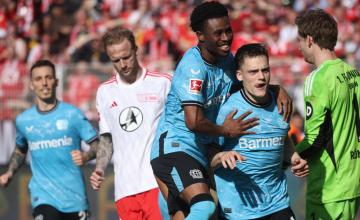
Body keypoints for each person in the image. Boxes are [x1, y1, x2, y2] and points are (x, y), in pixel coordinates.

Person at [150, 1, 292, 219]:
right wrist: (227, 131)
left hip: (201, 151)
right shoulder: (193, 68)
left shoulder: (226, 59)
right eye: (218, 33)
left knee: (196, 213)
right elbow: (193, 121)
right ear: (201, 35)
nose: (226, 37)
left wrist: (276, 88)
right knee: (203, 207)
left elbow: (246, 80)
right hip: (176, 147)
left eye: (228, 30)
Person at [294, 9, 360, 220]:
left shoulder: (317, 79)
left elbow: (314, 141)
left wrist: (292, 156)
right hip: (354, 187)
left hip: (327, 190)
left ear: (310, 40)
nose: (298, 46)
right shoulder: (359, 78)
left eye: (300, 40)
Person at [211, 43, 308, 220]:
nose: (261, 77)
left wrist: (294, 158)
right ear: (239, 75)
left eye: (265, 70)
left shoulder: (283, 104)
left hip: (278, 203)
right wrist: (221, 156)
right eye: (253, 72)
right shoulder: (227, 110)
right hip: (239, 210)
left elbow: (282, 138)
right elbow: (206, 157)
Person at [89, 27, 171, 219]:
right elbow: (107, 138)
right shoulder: (104, 93)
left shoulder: (163, 84)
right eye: (115, 60)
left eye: (126, 57)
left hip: (157, 184)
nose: (122, 64)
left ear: (136, 50)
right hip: (124, 190)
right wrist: (100, 167)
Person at [0, 59, 98, 220]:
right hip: (43, 197)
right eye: (38, 79)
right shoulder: (24, 120)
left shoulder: (72, 114)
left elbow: (98, 145)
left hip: (75, 199)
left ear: (56, 81)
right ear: (31, 85)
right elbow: (20, 149)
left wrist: (86, 156)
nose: (44, 83)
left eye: (48, 77)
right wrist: (9, 173)